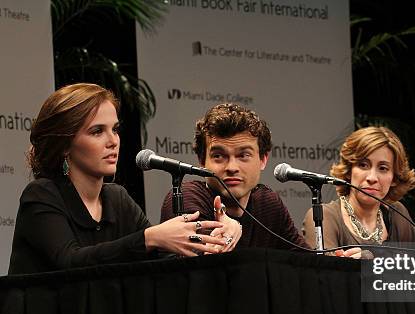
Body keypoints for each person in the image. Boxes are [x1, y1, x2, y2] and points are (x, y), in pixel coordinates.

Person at [8, 83, 228, 275]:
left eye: (115, 129)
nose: (113, 141)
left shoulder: (117, 198)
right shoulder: (42, 195)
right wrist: (149, 238)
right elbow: (70, 263)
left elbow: (159, 262)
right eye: (97, 131)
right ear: (65, 144)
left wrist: (209, 245)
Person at [160, 103, 308, 250]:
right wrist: (226, 237)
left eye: (243, 155)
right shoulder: (186, 197)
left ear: (263, 159)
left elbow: (306, 264)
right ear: (201, 161)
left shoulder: (268, 204)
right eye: (218, 156)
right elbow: (204, 262)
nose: (232, 167)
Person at [302, 126, 415, 256]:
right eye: (363, 165)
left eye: (383, 168)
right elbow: (324, 274)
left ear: (394, 177)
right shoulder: (324, 216)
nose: (372, 178)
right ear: (349, 170)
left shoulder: (398, 213)